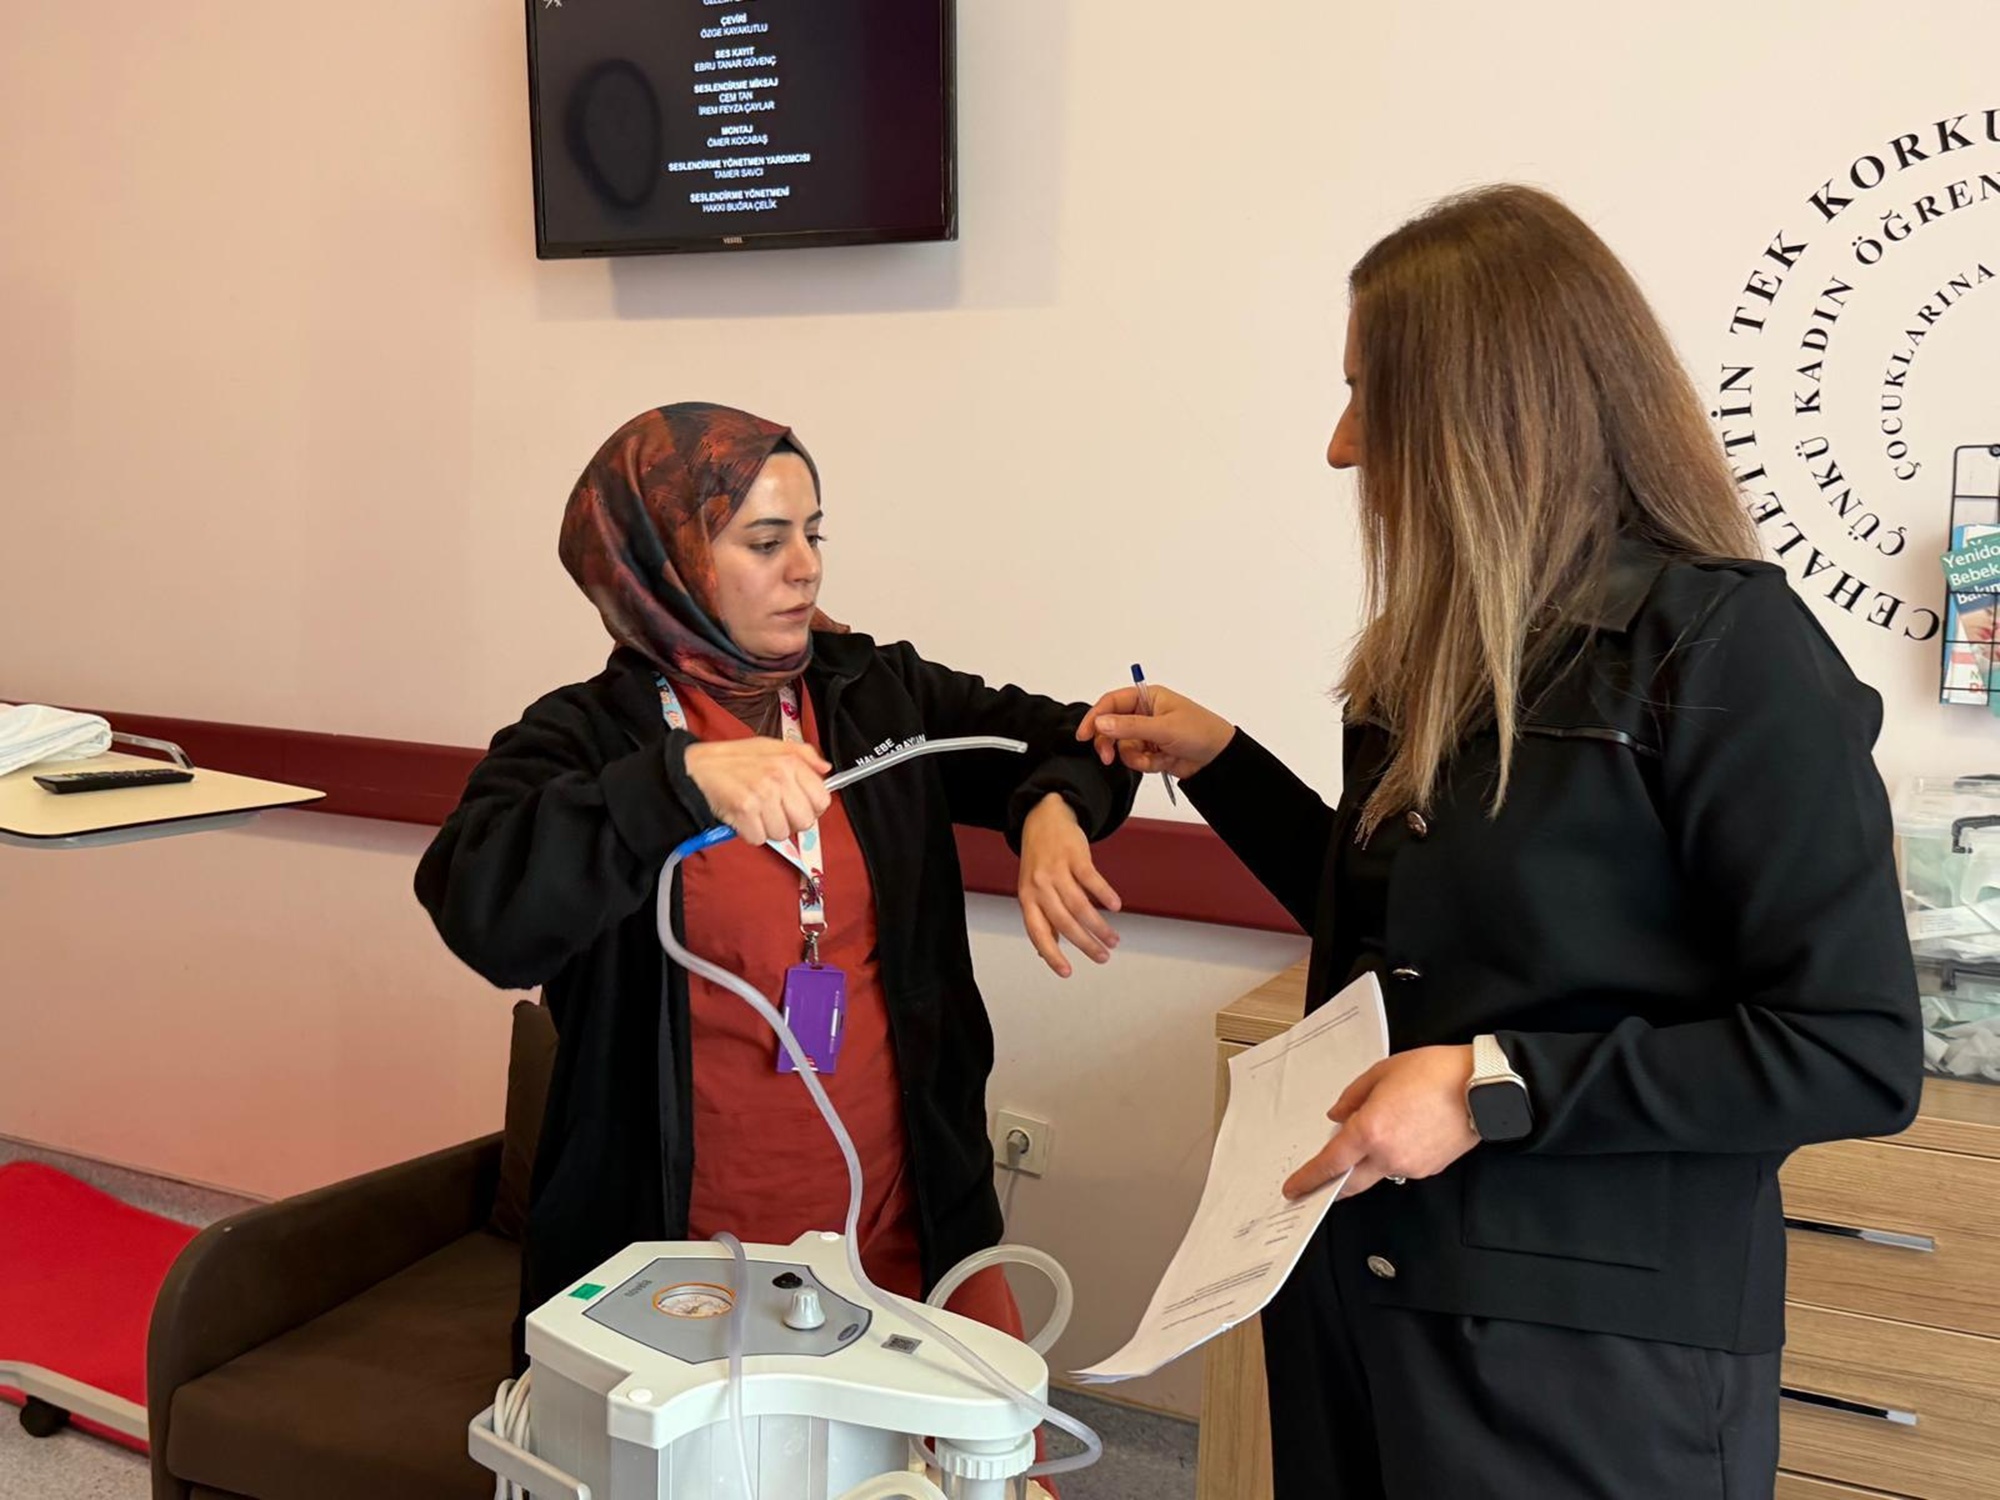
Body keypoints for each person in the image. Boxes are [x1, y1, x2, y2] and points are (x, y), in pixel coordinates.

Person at [1079, 185, 1922, 1500]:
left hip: (1583, 1356)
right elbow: (1413, 939)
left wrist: (1492, 1083)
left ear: (1488, 415)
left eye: (1370, 399)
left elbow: (1851, 1053)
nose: (1342, 449)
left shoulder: (1723, 653)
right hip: (1366, 1288)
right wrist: (1227, 767)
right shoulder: (1433, 659)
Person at [417, 402, 1137, 1356]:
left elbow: (1089, 737)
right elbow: (481, 907)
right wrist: (674, 785)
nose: (806, 567)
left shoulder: (875, 695)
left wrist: (1053, 808)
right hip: (675, 1260)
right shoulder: (587, 738)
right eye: (765, 542)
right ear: (665, 562)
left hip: (903, 1223)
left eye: (812, 534)